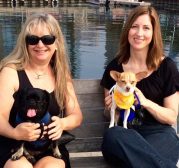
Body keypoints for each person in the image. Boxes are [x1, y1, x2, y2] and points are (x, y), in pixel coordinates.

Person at [0, 13, 82, 168]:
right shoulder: (11, 72)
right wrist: (15, 133)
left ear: (57, 43)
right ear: (25, 43)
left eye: (47, 39)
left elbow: (76, 116)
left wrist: (62, 123)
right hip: (14, 145)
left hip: (48, 147)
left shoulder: (61, 75)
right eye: (32, 39)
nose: (40, 44)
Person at [100, 6, 179, 168]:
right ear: (127, 29)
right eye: (134, 26)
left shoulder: (167, 67)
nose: (139, 33)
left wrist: (145, 102)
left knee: (141, 159)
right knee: (112, 135)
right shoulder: (114, 68)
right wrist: (109, 108)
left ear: (154, 33)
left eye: (146, 28)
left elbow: (171, 117)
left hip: (159, 133)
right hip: (124, 135)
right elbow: (110, 116)